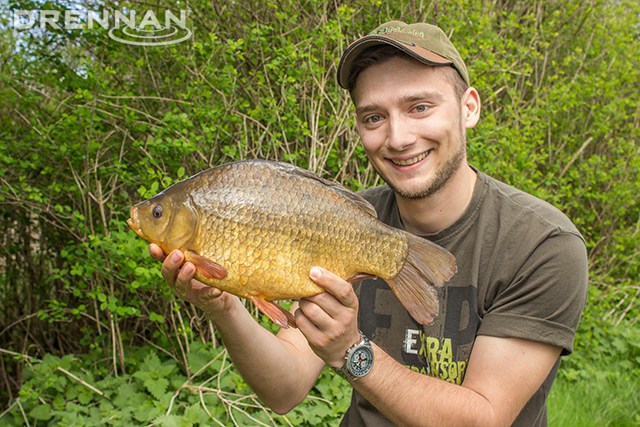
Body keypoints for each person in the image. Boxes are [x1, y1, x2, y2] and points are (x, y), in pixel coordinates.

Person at [149, 21, 588, 426]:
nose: (397, 138)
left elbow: (482, 418)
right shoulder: (342, 223)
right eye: (374, 117)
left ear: (468, 107)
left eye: (419, 106)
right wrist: (221, 304)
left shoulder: (542, 244)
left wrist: (350, 351)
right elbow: (285, 389)